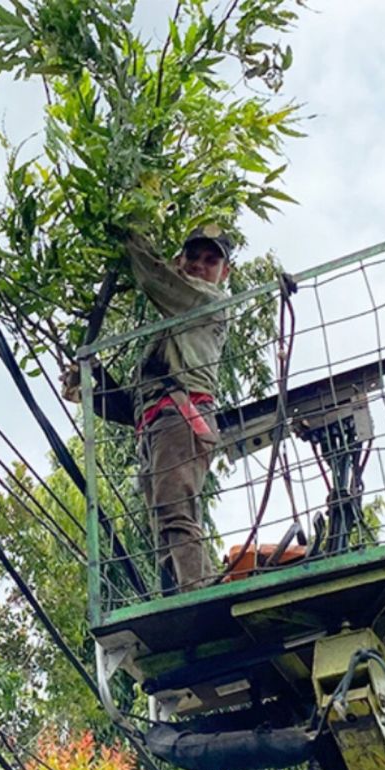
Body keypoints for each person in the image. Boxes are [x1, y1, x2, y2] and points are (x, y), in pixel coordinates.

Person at [64, 225, 234, 592]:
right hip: (158, 426)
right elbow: (133, 409)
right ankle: (179, 595)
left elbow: (155, 277)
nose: (200, 266)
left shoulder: (205, 301)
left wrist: (127, 231)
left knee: (174, 511)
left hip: (181, 419)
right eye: (193, 257)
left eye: (211, 260)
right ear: (180, 259)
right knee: (165, 522)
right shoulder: (170, 329)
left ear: (225, 273)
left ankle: (198, 590)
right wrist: (93, 377)